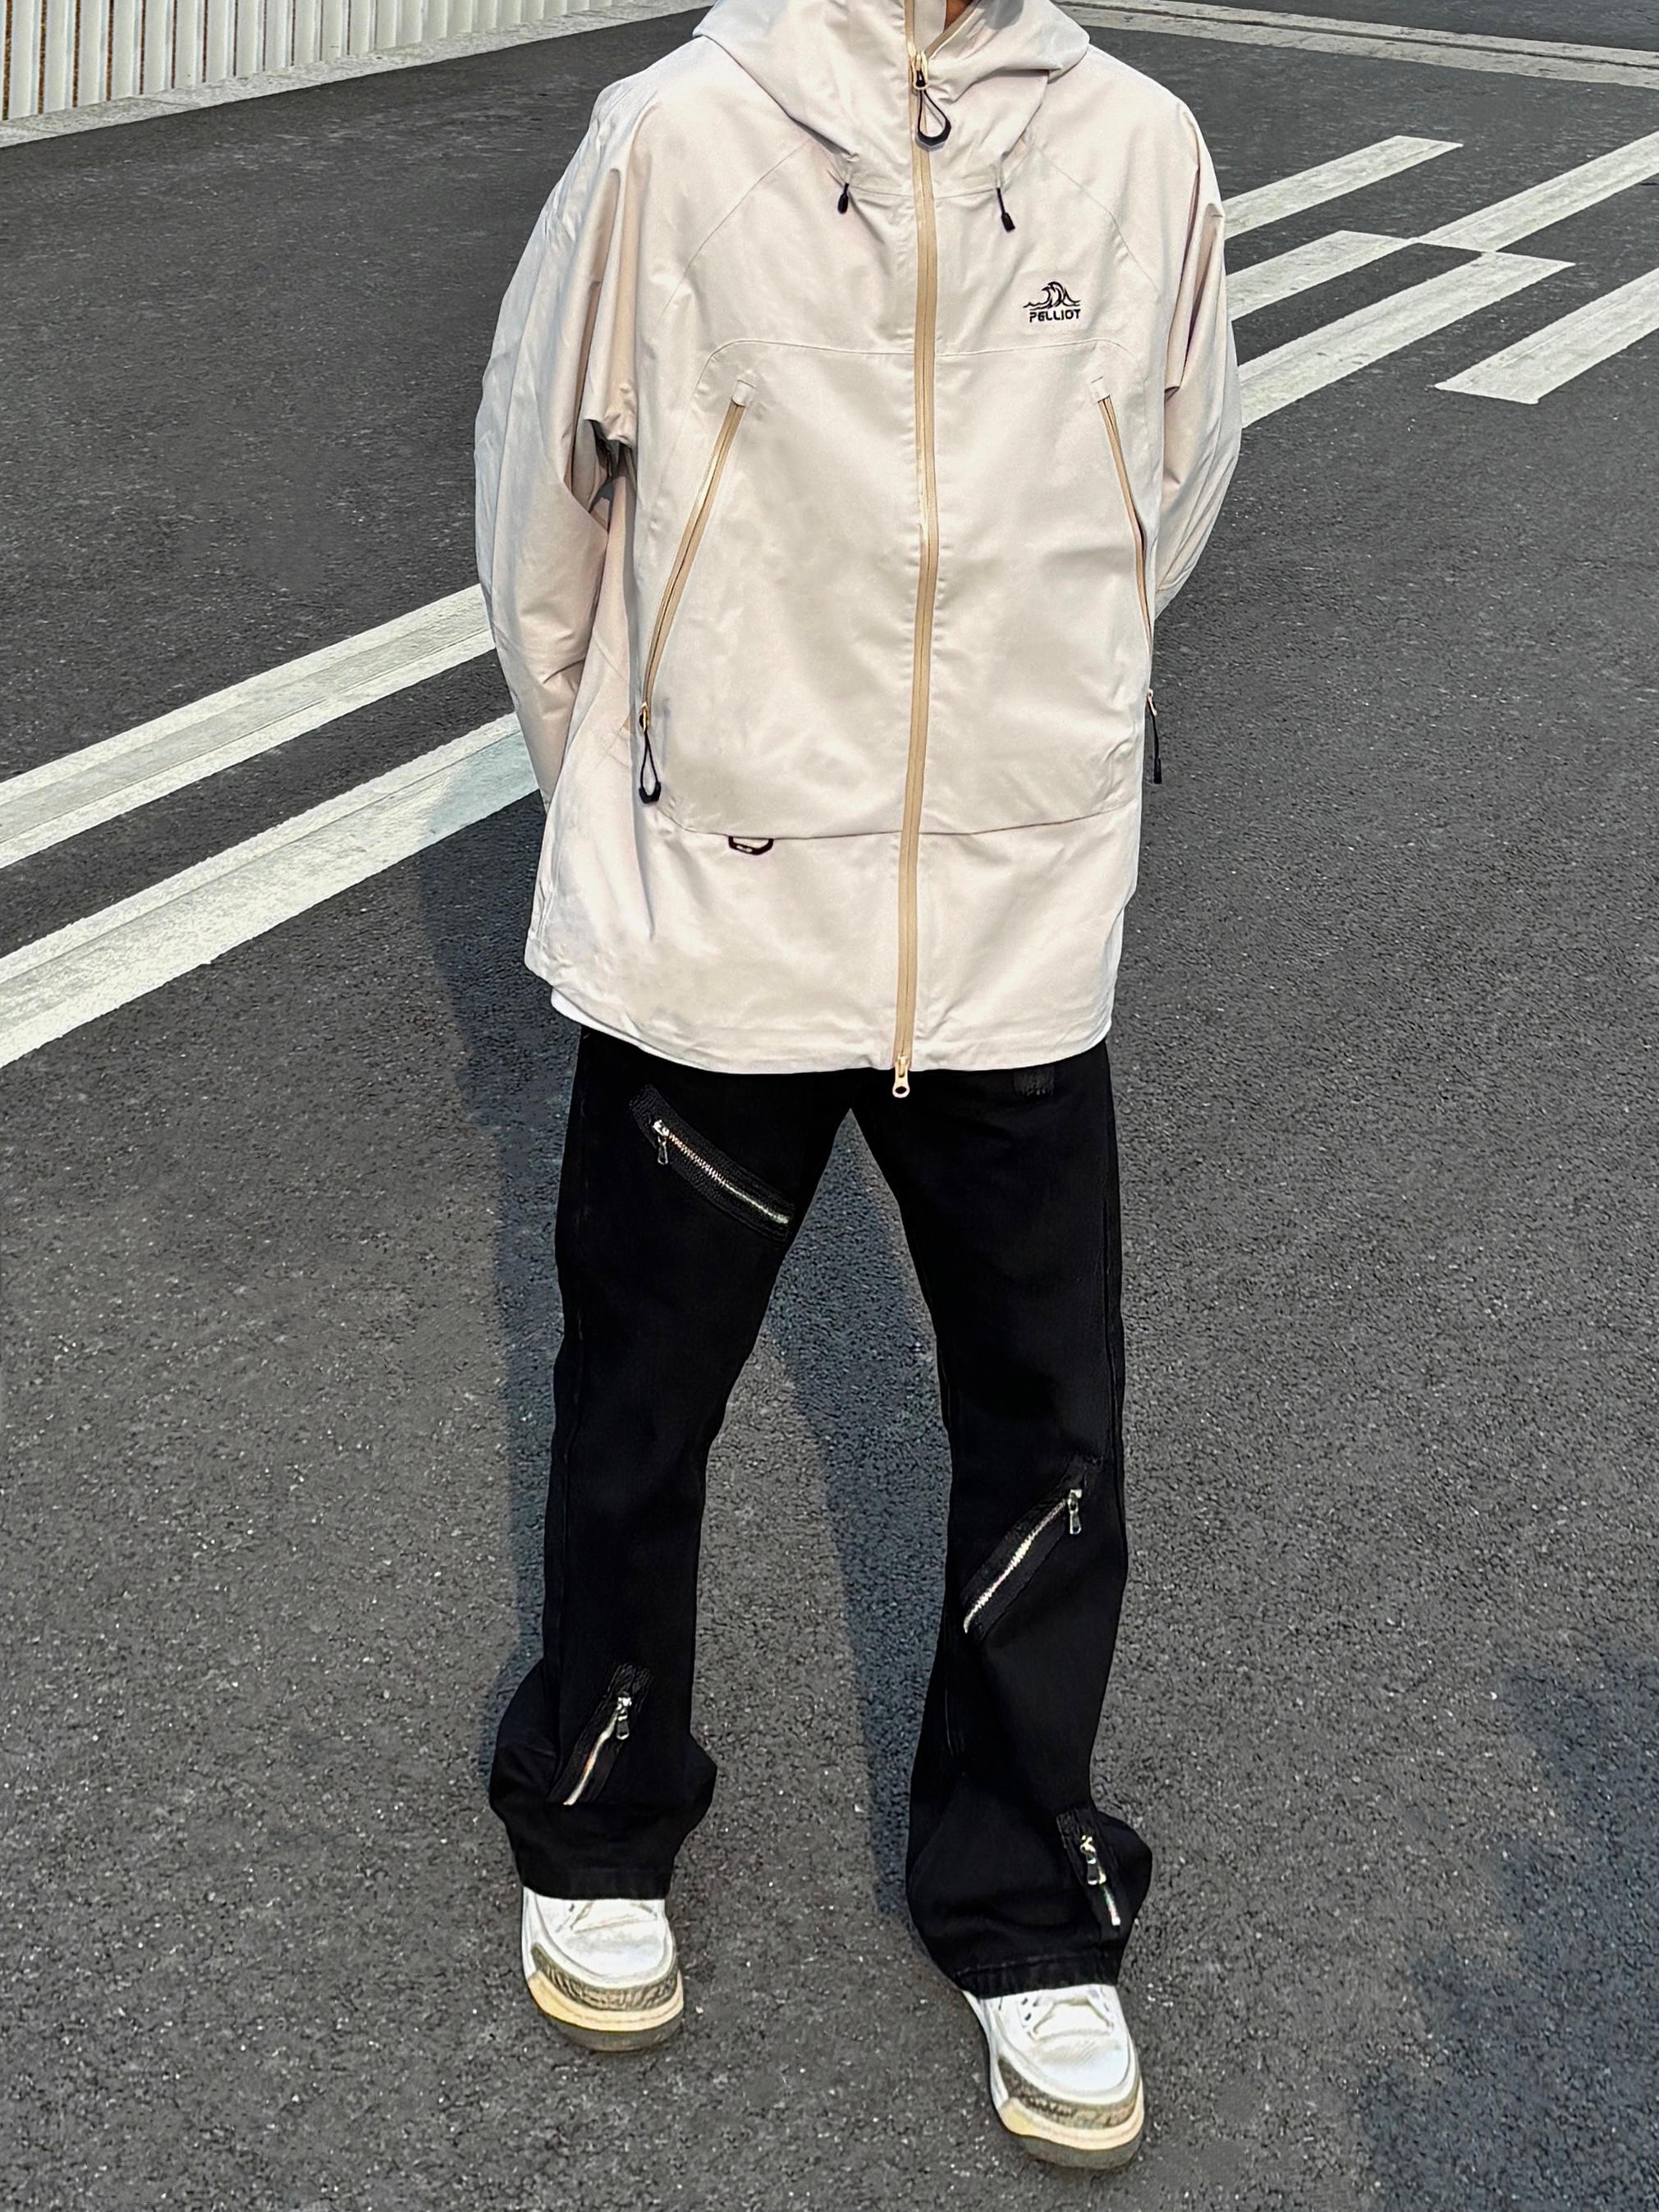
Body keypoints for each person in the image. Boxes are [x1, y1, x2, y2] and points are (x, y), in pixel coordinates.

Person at [475, 0, 1239, 2167]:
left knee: (1051, 1436)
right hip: (720, 914)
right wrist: (642, 784)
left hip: (1012, 925)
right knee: (641, 1401)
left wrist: (1037, 744)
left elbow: (1171, 484)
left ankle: (1022, 1891)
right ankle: (599, 1806)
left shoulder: (1141, 147)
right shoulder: (675, 135)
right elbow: (543, 512)